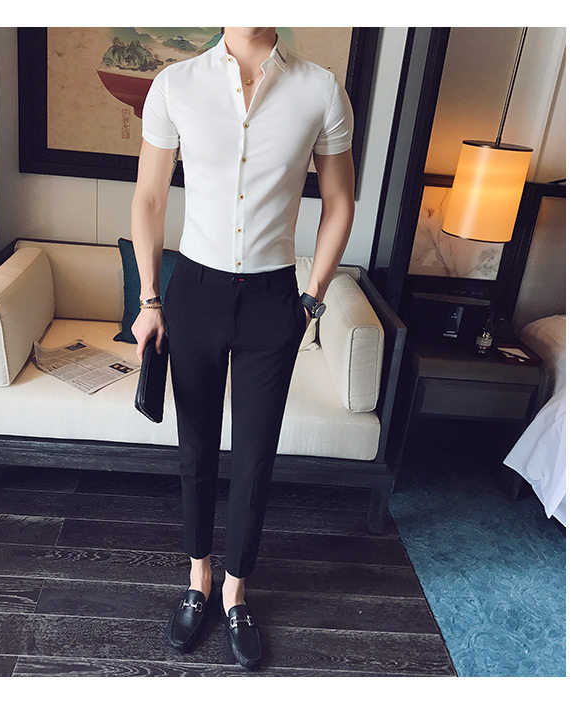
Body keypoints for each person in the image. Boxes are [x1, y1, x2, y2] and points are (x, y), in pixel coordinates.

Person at [130, 26, 355, 670]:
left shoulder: (320, 90)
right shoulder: (175, 85)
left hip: (272, 299)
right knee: (196, 448)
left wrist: (312, 298)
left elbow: (339, 201)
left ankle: (236, 590)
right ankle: (198, 579)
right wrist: (149, 300)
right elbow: (149, 197)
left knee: (256, 455)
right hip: (194, 293)